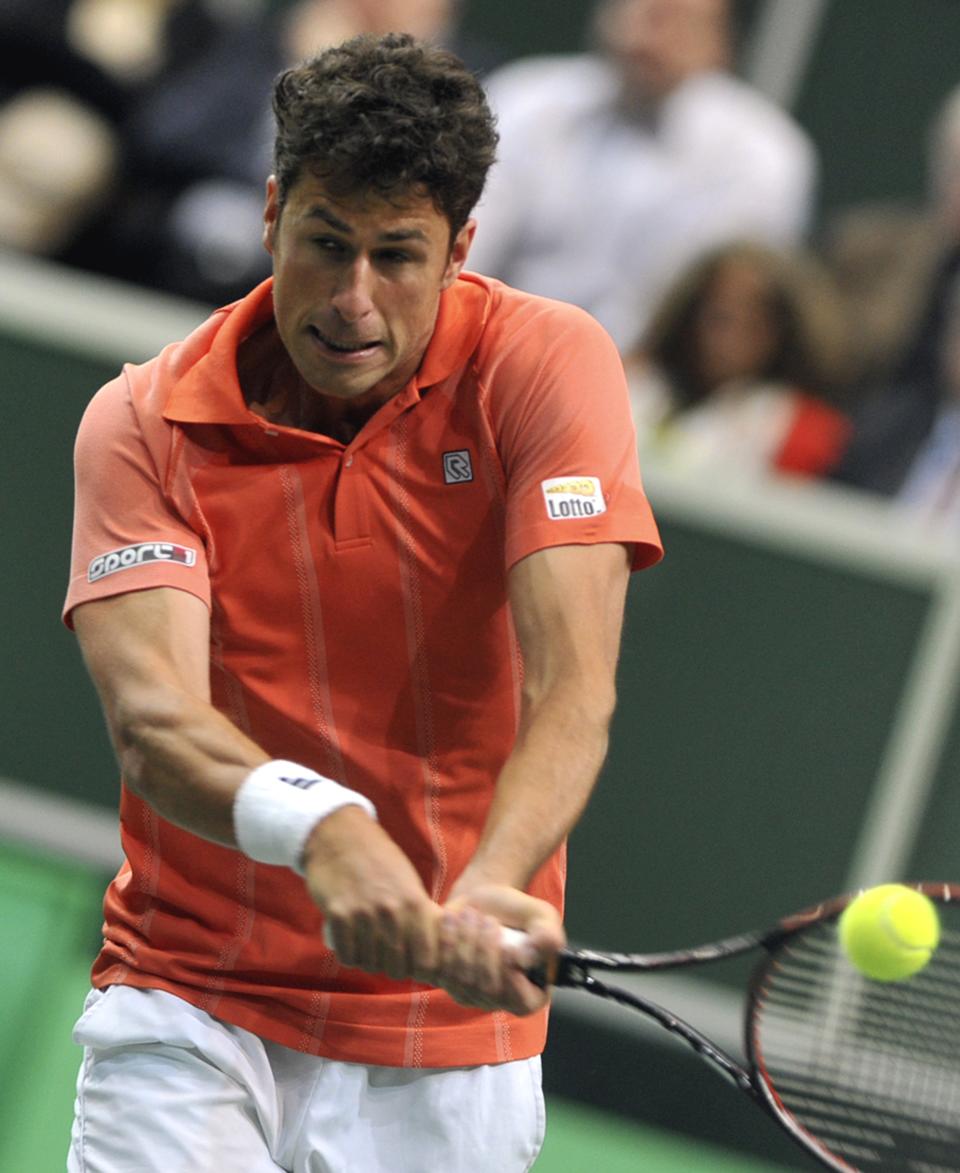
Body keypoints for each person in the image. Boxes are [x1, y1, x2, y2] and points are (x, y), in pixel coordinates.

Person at [62, 32, 663, 1173]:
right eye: (325, 244)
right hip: (194, 1000)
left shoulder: (546, 364)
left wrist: (493, 879)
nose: (351, 301)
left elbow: (571, 686)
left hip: (449, 1047)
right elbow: (153, 724)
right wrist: (324, 828)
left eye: (397, 257)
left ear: (461, 250)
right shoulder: (140, 424)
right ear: (272, 211)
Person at [467, 0, 818, 351]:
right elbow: (467, 250)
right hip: (491, 345)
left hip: (655, 383)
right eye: (643, 8)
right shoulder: (526, 100)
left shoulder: (762, 156)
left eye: (678, 15)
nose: (652, 27)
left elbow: (724, 315)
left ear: (722, 41)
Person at [625, 240, 852, 478]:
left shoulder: (799, 430)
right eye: (720, 318)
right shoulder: (632, 383)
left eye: (753, 325)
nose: (730, 340)